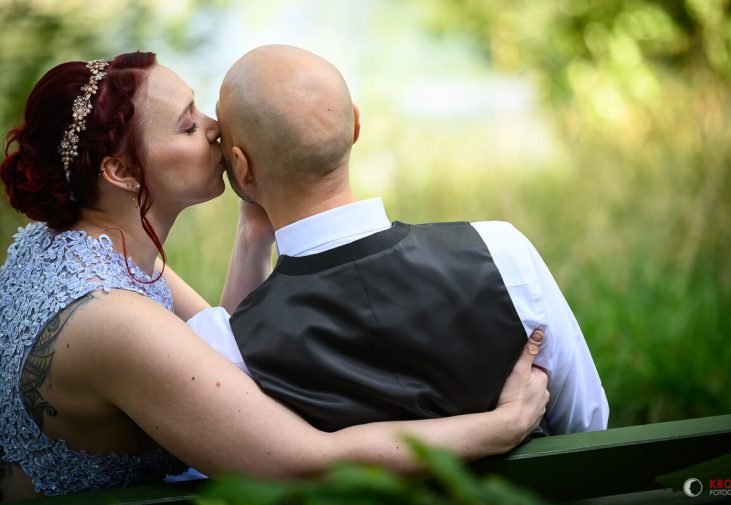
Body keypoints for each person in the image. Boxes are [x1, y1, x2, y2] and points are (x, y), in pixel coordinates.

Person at [0, 51, 549, 500]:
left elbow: (221, 359)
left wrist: (252, 238)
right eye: (189, 125)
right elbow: (305, 462)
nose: (217, 131)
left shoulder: (65, 246)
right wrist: (500, 427)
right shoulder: (115, 321)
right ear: (120, 172)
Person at [205, 44, 608, 434]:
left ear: (240, 166)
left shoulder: (229, 347)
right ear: (356, 127)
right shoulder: (502, 252)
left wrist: (250, 236)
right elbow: (588, 428)